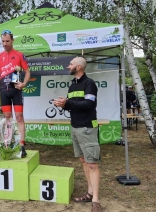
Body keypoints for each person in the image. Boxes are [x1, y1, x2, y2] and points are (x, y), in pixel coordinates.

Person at [54, 57, 102, 212]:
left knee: (92, 164)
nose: (68, 66)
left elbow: (89, 104)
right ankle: (89, 193)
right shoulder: (72, 85)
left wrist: (68, 103)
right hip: (75, 127)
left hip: (87, 128)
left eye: (71, 64)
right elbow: (73, 107)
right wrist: (64, 104)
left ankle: (95, 201)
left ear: (79, 67)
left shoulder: (89, 83)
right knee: (83, 161)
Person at [0, 29, 30, 158]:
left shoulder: (19, 55)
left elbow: (27, 72)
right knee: (7, 118)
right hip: (4, 91)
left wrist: (24, 83)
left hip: (16, 91)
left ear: (12, 40)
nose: (5, 44)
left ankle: (22, 145)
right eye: (3, 41)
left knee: (19, 118)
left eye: (7, 41)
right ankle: (8, 144)